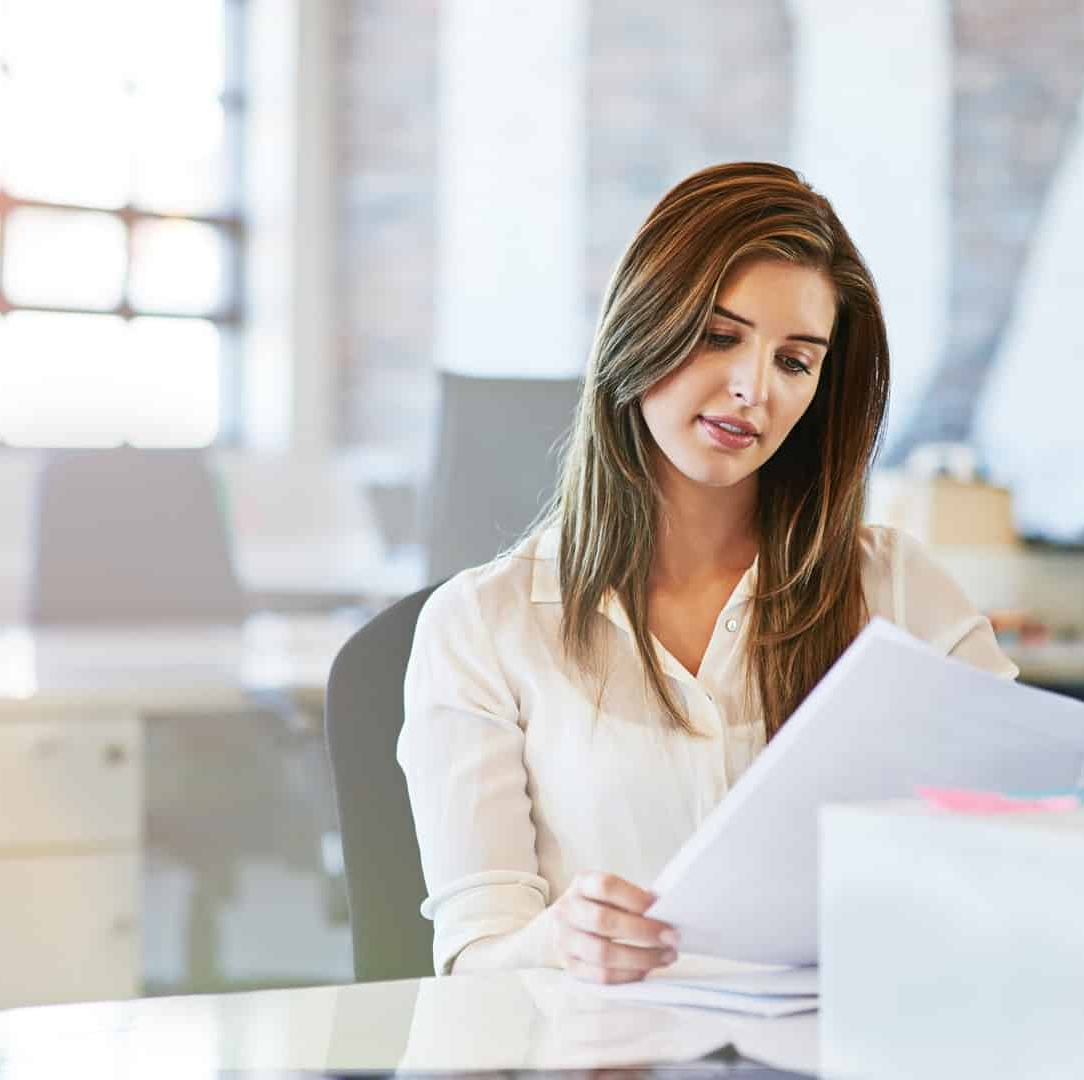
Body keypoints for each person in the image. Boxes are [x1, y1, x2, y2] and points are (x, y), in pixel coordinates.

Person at [398, 161, 1018, 984]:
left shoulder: (894, 587)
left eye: (796, 362)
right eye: (721, 336)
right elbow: (477, 962)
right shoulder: (480, 624)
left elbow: (1034, 833)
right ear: (643, 328)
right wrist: (561, 941)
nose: (752, 389)